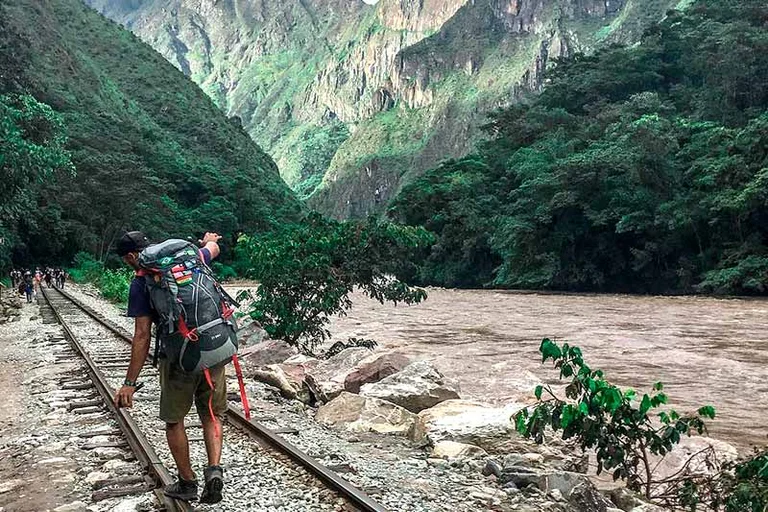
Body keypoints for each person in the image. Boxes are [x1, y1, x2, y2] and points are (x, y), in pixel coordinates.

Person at [113, 230, 226, 504]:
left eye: (126, 260)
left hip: (178, 358)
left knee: (174, 421)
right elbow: (214, 249)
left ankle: (187, 482)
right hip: (213, 349)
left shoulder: (141, 282)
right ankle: (214, 469)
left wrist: (130, 383)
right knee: (211, 414)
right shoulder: (190, 259)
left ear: (131, 256)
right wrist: (207, 241)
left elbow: (142, 335)